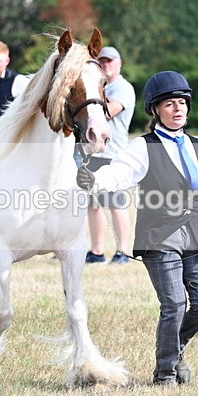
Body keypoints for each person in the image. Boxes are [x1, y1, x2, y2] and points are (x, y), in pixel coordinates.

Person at [76, 71, 198, 386]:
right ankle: (165, 372)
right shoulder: (144, 147)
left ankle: (175, 348)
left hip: (196, 231)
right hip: (160, 234)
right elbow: (119, 174)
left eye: (182, 102)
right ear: (155, 110)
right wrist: (96, 180)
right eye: (169, 104)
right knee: (174, 304)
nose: (178, 109)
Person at [82, 46, 136, 265]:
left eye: (110, 61)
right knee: (93, 204)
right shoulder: (95, 87)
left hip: (114, 154)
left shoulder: (123, 88)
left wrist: (87, 104)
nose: (106, 64)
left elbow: (107, 111)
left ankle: (123, 252)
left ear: (119, 63)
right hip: (92, 153)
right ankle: (96, 252)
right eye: (102, 61)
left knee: (115, 204)